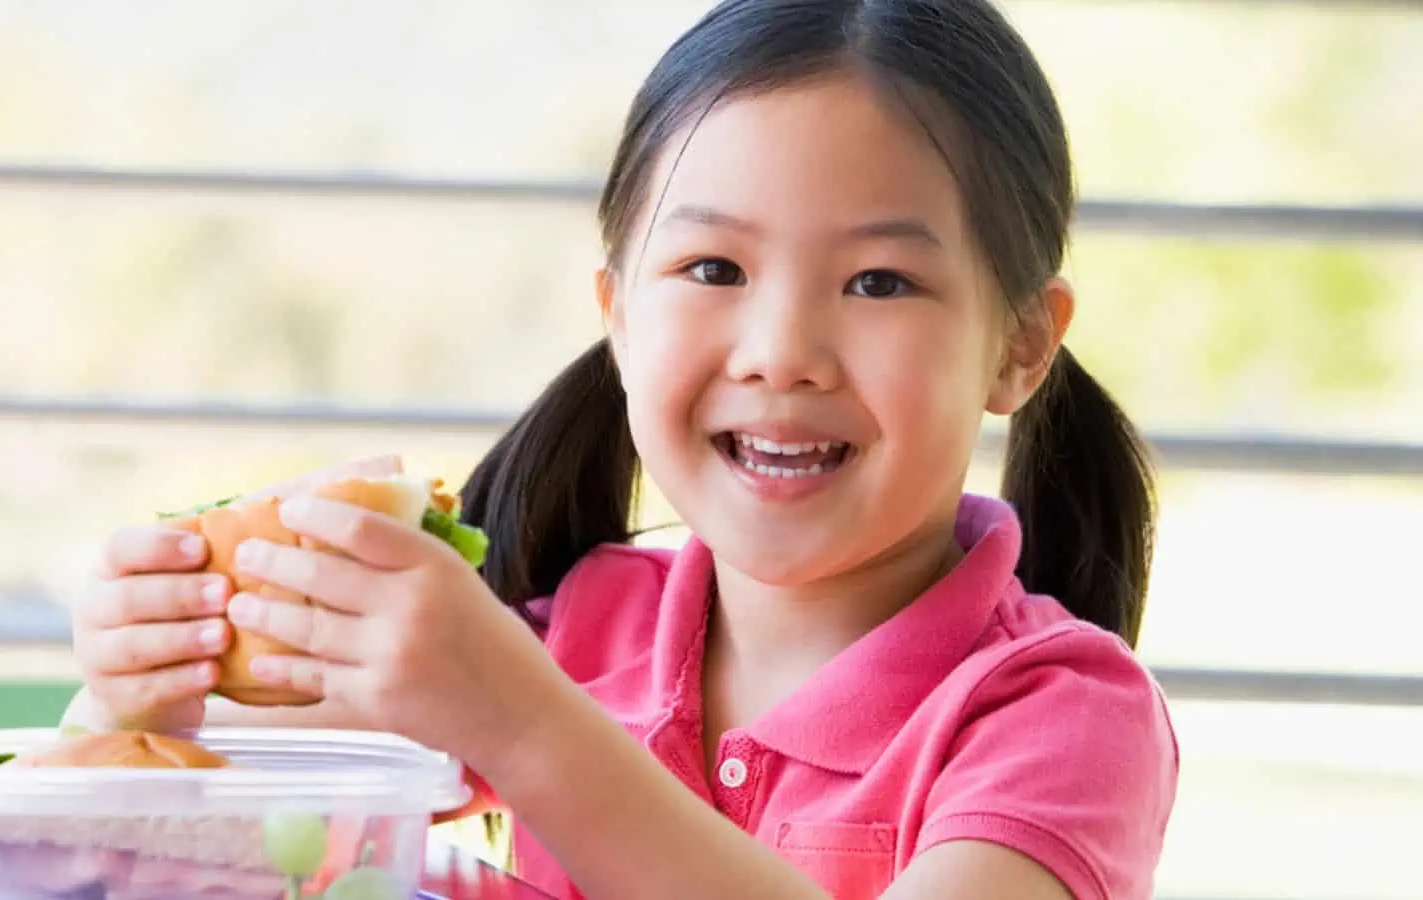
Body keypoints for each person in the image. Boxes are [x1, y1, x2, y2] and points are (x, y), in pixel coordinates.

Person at [65, 0, 1180, 897]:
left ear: (1019, 347)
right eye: (713, 271)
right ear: (619, 314)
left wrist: (524, 723)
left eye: (878, 282)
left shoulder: (1061, 717)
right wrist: (140, 699)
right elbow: (132, 849)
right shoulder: (574, 632)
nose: (781, 353)